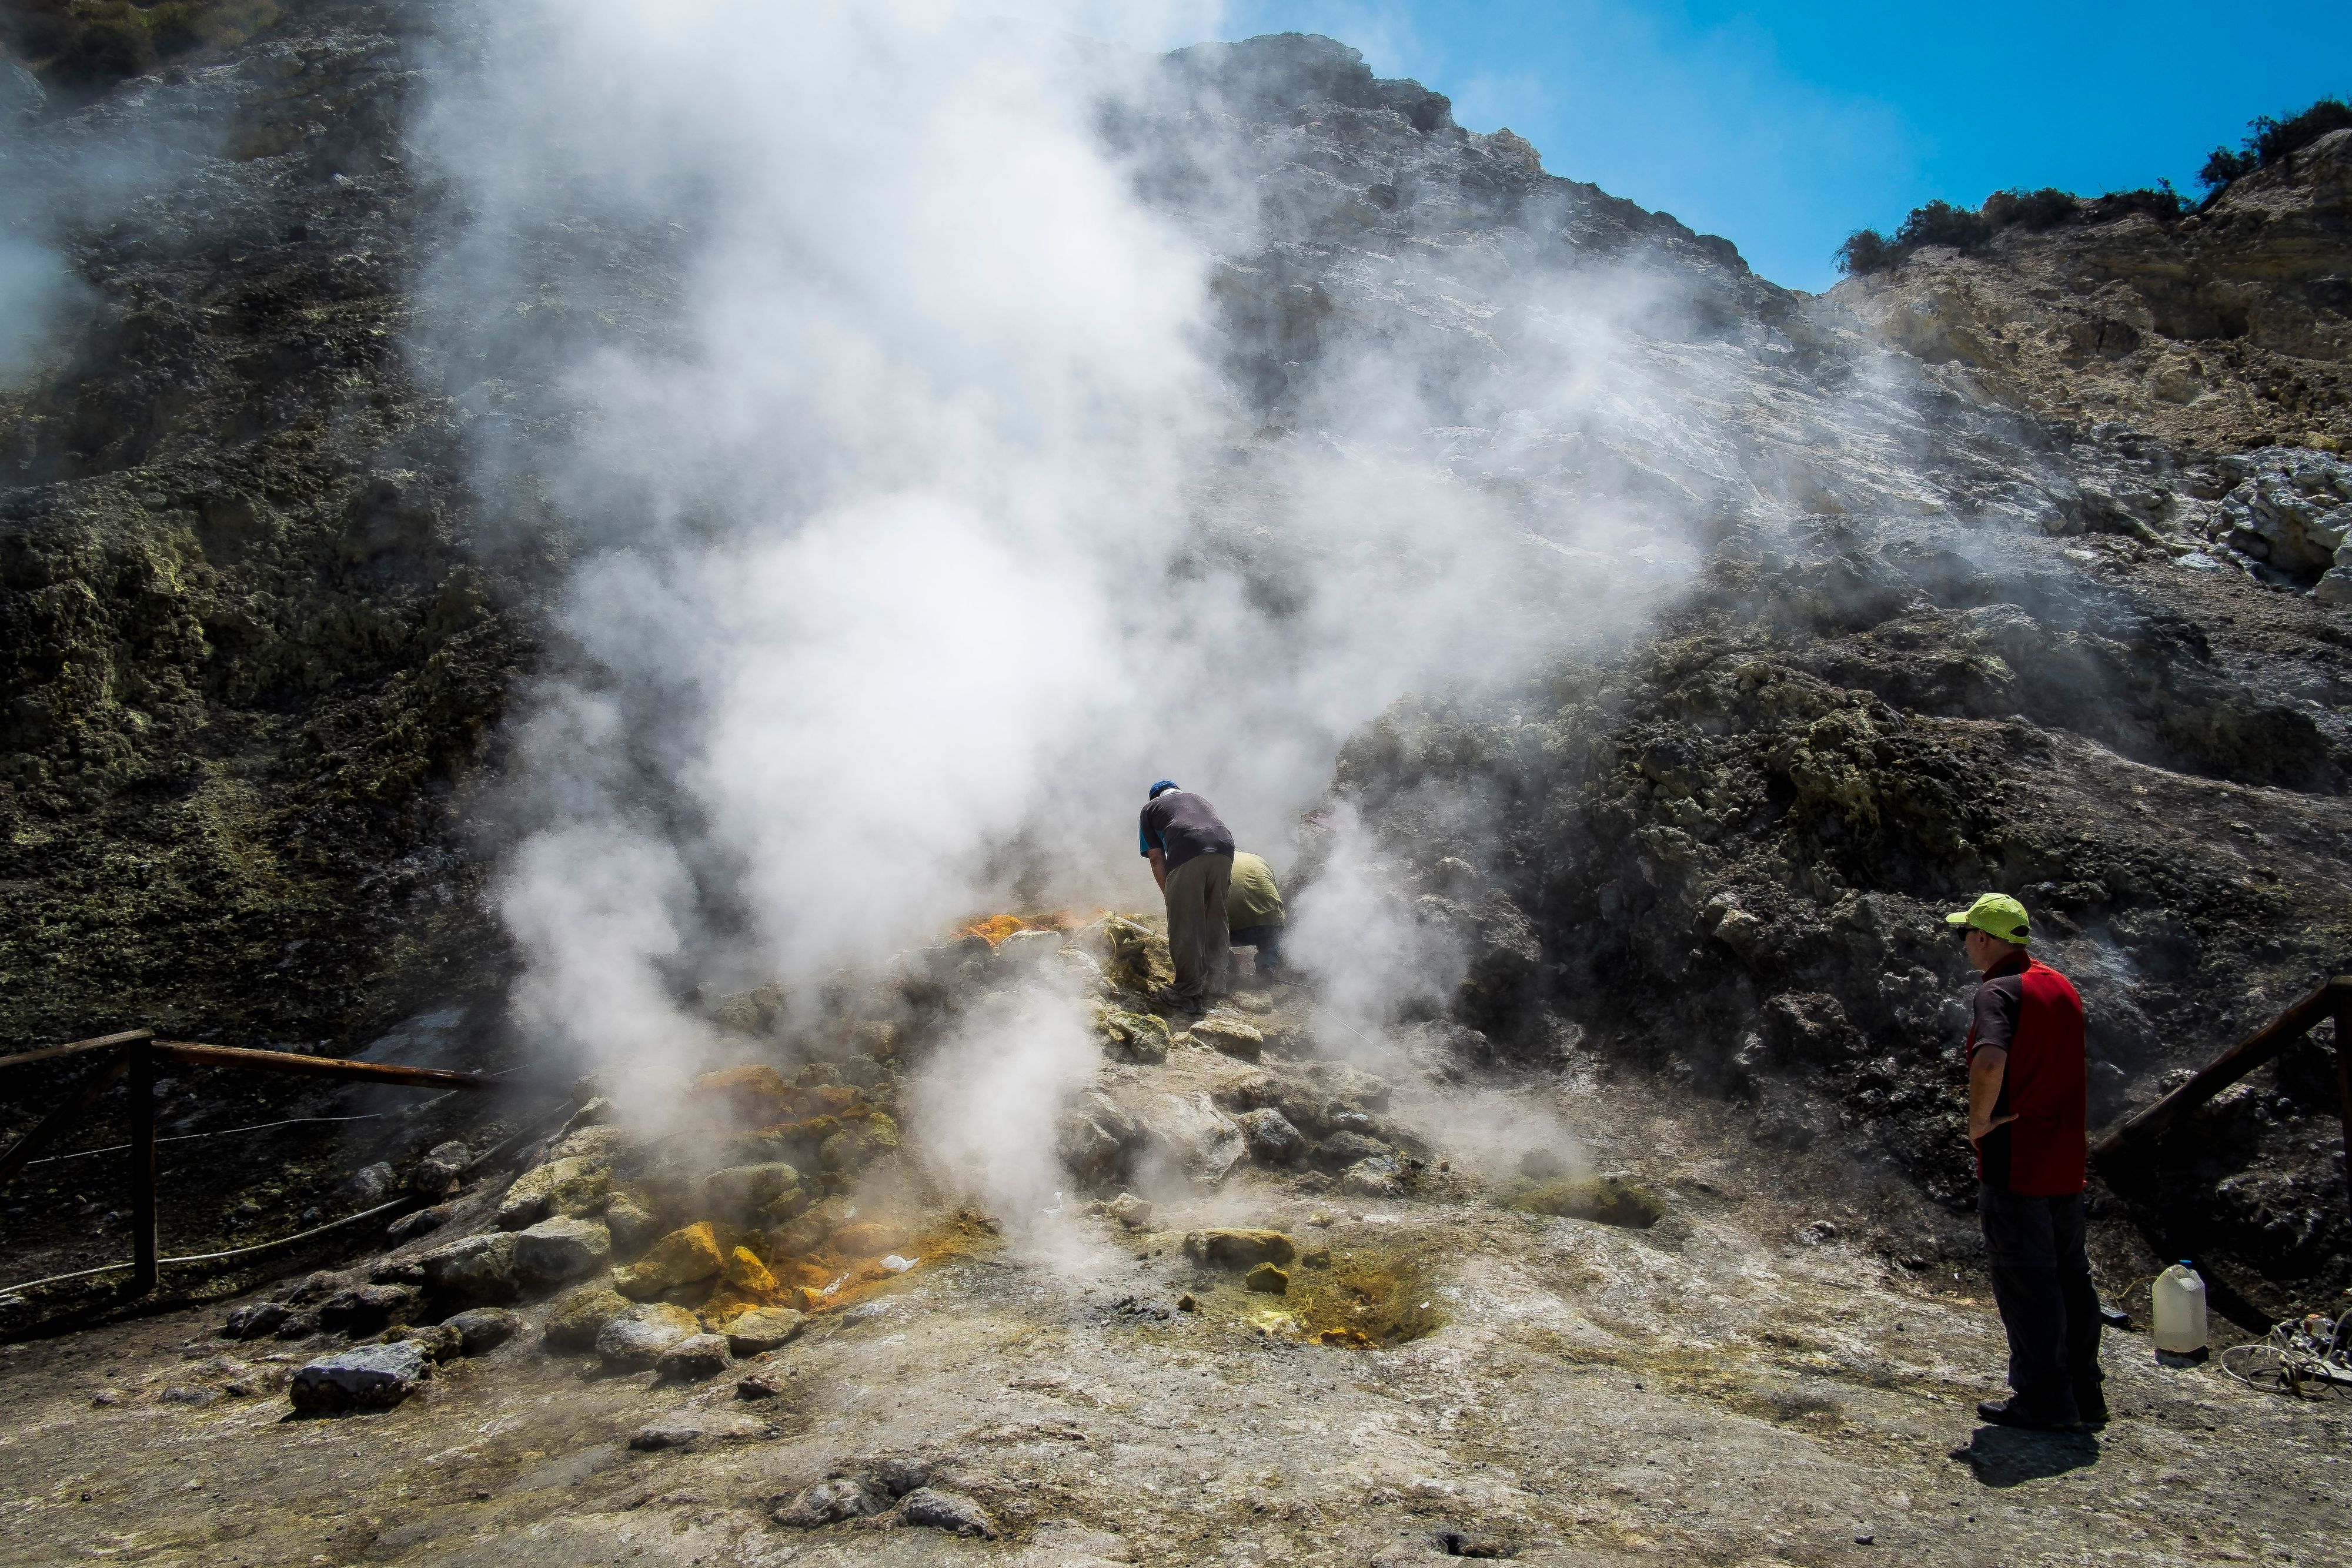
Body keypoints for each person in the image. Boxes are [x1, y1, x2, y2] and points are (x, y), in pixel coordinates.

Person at [1950, 891, 2103, 1431]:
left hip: (2017, 1157)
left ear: (1985, 938)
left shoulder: (1997, 992)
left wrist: (1977, 1122)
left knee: (2026, 1278)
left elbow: (1991, 1058)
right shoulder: (2059, 984)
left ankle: (2044, 1398)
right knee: (2070, 1275)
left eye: (1965, 933)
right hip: (2064, 1156)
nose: (1964, 943)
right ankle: (2085, 1392)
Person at [1137, 780, 1235, 1014]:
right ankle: (1217, 983)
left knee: (1185, 923)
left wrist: (1171, 895)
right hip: (1226, 848)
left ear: (1155, 797)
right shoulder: (1199, 799)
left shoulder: (1150, 809)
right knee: (1216, 916)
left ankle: (1187, 993)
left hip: (1188, 847)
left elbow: (1156, 859)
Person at [1227, 850, 1287, 978]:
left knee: (1200, 933)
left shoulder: (1219, 861)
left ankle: (1227, 965)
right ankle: (1266, 966)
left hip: (1231, 926)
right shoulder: (1258, 859)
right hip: (1270, 921)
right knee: (1271, 935)